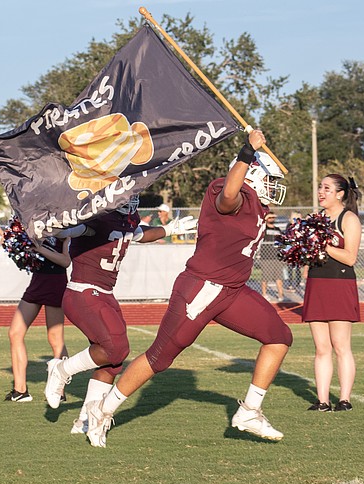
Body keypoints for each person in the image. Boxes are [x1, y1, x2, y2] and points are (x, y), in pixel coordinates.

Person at [79, 130, 293, 448]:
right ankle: (103, 410)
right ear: (253, 173)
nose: (273, 189)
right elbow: (229, 194)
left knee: (279, 337)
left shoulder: (259, 207)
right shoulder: (229, 190)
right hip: (203, 289)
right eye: (269, 179)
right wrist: (248, 152)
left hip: (233, 290)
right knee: (160, 357)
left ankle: (249, 411)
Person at [43, 193, 198, 435]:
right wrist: (57, 227)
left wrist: (169, 229)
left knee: (113, 363)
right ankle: (61, 369)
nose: (131, 199)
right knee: (117, 349)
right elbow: (73, 231)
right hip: (83, 293)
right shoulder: (98, 216)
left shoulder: (127, 218)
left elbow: (140, 234)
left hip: (104, 294)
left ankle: (85, 420)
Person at [302, 175, 363, 413]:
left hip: (339, 283)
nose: (321, 191)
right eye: (320, 187)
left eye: (326, 188)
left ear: (339, 194)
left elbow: (350, 257)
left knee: (340, 345)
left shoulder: (349, 219)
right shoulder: (316, 219)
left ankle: (344, 399)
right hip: (317, 283)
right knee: (321, 348)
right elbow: (308, 254)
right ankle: (322, 401)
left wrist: (322, 245)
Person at [6, 236, 70, 402]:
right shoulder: (34, 226)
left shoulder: (64, 226)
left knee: (55, 339)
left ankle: (59, 390)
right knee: (15, 333)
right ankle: (20, 391)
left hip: (56, 282)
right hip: (37, 280)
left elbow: (65, 261)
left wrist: (40, 249)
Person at [258, 212, 284, 302]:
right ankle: (264, 294)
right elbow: (261, 226)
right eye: (270, 217)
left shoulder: (277, 229)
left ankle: (281, 295)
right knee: (265, 277)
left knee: (279, 278)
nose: (272, 219)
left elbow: (282, 241)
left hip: (276, 257)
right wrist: (266, 218)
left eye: (273, 217)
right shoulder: (264, 228)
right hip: (266, 257)